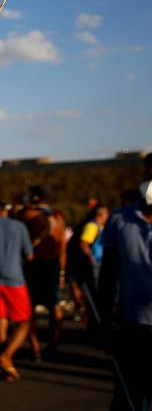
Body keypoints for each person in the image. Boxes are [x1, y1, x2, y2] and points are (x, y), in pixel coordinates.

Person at [97, 153, 152, 411]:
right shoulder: (119, 220)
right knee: (126, 399)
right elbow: (108, 275)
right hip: (133, 328)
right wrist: (104, 320)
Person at [0, 199, 34, 381]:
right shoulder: (19, 226)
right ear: (4, 210)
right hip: (15, 279)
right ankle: (6, 356)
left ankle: (6, 369)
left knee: (0, 322)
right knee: (24, 322)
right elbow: (29, 254)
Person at [16, 185, 67, 359]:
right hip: (53, 265)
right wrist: (62, 273)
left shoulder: (28, 216)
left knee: (30, 308)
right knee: (55, 305)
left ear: (35, 198)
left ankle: (35, 346)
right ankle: (54, 343)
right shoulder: (58, 219)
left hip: (34, 264)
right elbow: (62, 249)